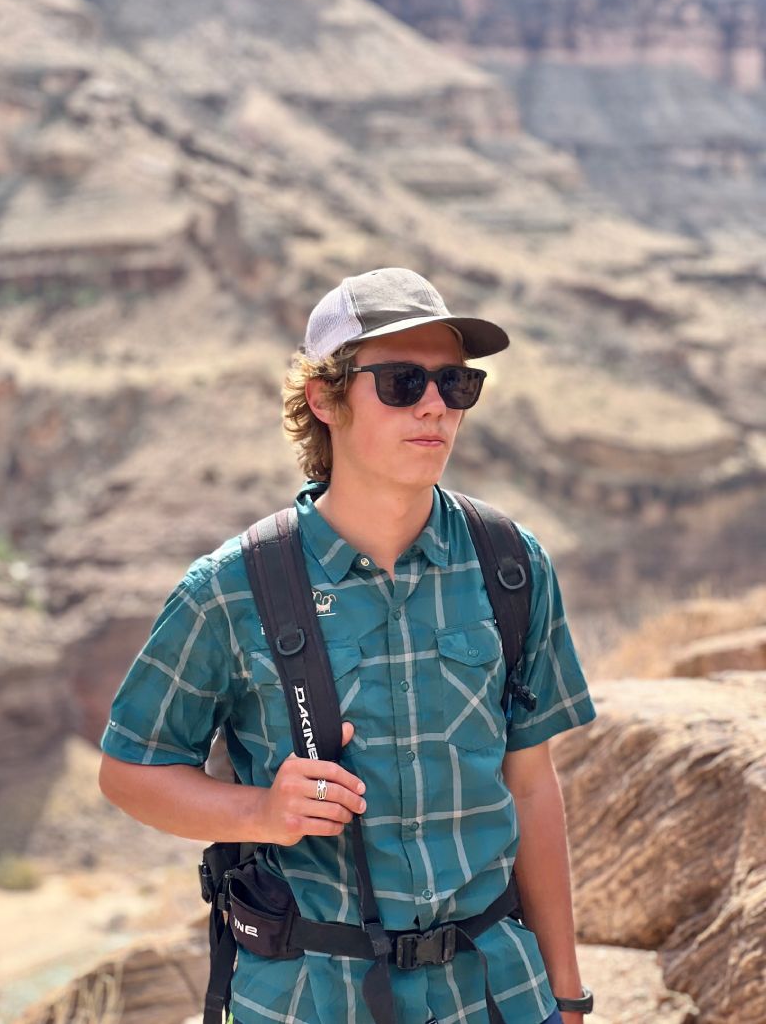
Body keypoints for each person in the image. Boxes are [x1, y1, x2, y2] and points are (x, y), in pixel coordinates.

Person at [99, 267, 597, 1024]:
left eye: (455, 383)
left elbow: (530, 783)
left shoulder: (511, 565)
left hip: (496, 993)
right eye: (402, 382)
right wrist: (263, 811)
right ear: (324, 398)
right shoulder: (232, 588)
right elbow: (128, 771)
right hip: (314, 997)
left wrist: (565, 994)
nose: (435, 405)